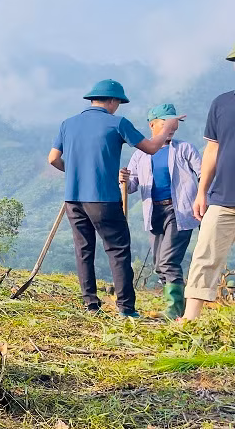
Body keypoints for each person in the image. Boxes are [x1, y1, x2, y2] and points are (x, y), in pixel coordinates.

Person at [48, 79, 181, 318]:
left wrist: (77, 172)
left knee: (84, 250)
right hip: (104, 199)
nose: (117, 107)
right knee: (118, 250)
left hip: (73, 200)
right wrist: (166, 128)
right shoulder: (117, 123)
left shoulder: (67, 124)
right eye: (118, 102)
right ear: (112, 101)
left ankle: (91, 305)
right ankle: (126, 308)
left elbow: (53, 159)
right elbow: (151, 148)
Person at [120, 104, 201, 320]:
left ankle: (175, 308)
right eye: (165, 123)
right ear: (152, 125)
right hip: (154, 211)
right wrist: (124, 181)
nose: (171, 128)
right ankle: (174, 308)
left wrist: (204, 201)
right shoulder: (140, 154)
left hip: (180, 210)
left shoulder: (184, 149)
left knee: (168, 261)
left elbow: (203, 174)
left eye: (173, 124)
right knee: (159, 264)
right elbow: (132, 185)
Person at [182, 46, 235, 322]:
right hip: (223, 196)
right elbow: (212, 151)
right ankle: (190, 320)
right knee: (205, 256)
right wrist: (202, 192)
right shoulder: (222, 103)